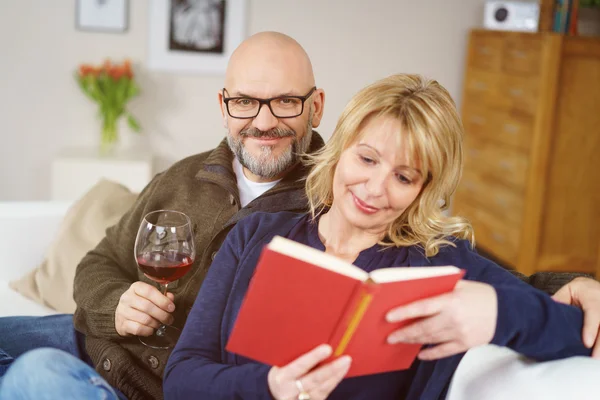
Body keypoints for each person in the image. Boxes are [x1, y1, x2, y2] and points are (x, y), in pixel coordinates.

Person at [0, 32, 599, 400]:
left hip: (151, 376)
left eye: (284, 101)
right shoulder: (212, 198)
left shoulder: (418, 253)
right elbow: (103, 265)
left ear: (315, 109)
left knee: (36, 377)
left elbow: (523, 296)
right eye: (246, 101)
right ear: (225, 105)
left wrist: (556, 288)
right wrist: (116, 303)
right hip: (115, 346)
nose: (375, 187)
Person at [163, 73, 597, 400]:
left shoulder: (435, 262)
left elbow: (575, 334)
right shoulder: (255, 234)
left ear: (423, 190)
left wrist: (500, 311)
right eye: (367, 159)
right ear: (340, 150)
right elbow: (182, 377)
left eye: (404, 177)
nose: (375, 189)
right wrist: (272, 385)